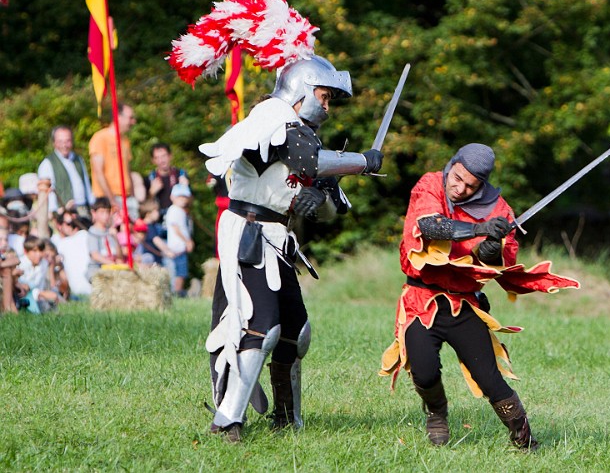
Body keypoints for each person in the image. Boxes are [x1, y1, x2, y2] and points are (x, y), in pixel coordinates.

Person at [201, 55, 383, 442]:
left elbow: (334, 208)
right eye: (324, 96)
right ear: (302, 89)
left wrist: (317, 196)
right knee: (260, 327)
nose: (328, 106)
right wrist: (364, 161)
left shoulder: (302, 131)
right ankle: (227, 419)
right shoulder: (273, 116)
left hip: (278, 241)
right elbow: (308, 161)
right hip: (250, 233)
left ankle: (286, 416)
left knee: (295, 331)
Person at [379, 143, 579, 450]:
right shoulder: (430, 183)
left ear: (481, 185)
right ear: (452, 165)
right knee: (424, 368)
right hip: (420, 299)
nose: (459, 189)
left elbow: (501, 264)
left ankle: (525, 439)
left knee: (489, 378)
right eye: (456, 178)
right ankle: (436, 413)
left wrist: (491, 250)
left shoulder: (500, 210)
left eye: (470, 185)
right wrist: (479, 230)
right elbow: (428, 225)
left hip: (464, 303)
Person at [88, 102, 140, 220]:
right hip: (109, 198)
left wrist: (132, 196)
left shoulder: (125, 141)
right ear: (119, 117)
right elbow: (98, 171)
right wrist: (112, 201)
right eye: (130, 118)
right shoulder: (100, 138)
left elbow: (127, 170)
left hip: (127, 198)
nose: (133, 122)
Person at [37, 125, 95, 219]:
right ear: (54, 143)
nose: (64, 145)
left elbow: (86, 185)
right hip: (62, 213)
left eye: (67, 141)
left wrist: (92, 205)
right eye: (60, 141)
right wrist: (55, 213)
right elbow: (47, 193)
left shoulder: (78, 159)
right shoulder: (48, 163)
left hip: (83, 209)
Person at [17, 236, 62, 313]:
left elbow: (39, 285)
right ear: (26, 251)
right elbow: (24, 287)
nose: (38, 254)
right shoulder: (21, 264)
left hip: (38, 296)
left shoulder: (43, 263)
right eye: (34, 251)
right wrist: (41, 293)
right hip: (23, 296)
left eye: (40, 251)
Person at [163, 183, 193, 296]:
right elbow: (176, 228)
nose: (182, 199)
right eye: (179, 197)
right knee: (180, 272)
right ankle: (177, 292)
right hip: (177, 247)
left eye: (184, 197)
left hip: (180, 247)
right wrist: (187, 241)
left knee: (180, 271)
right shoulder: (175, 210)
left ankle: (177, 291)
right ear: (172, 197)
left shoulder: (180, 211)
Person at [144, 142, 190, 216]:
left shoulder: (181, 174)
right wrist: (151, 193)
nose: (161, 160)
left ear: (170, 156)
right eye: (157, 158)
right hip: (159, 221)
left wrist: (185, 189)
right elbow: (142, 206)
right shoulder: (150, 178)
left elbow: (191, 201)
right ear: (153, 160)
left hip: (179, 216)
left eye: (164, 156)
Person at [85, 197, 124, 282]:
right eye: (102, 212)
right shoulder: (92, 232)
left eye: (107, 212)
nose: (105, 216)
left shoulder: (110, 231)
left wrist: (116, 238)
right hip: (97, 269)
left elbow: (119, 256)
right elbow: (94, 255)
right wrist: (111, 264)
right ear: (94, 213)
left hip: (111, 268)